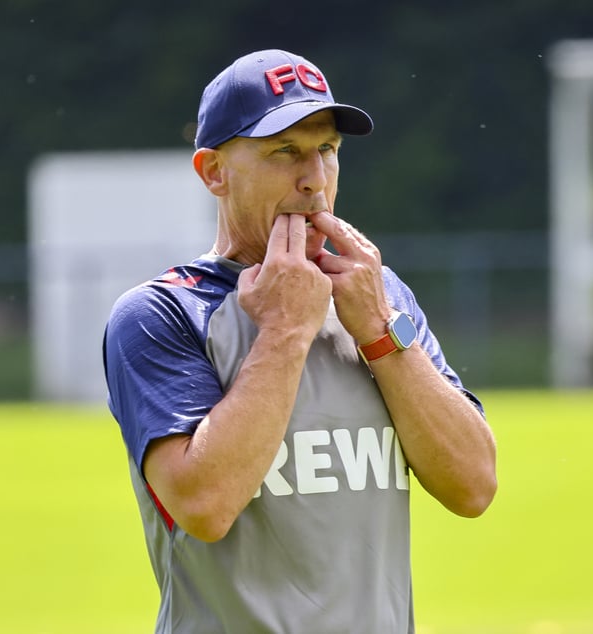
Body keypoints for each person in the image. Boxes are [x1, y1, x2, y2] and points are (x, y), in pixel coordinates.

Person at [102, 48, 497, 633]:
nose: (314, 179)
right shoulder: (163, 313)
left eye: (327, 151)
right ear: (213, 171)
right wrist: (286, 330)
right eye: (284, 151)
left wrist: (381, 334)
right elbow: (204, 505)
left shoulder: (377, 297)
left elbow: (474, 485)